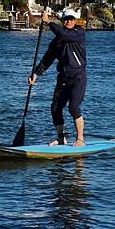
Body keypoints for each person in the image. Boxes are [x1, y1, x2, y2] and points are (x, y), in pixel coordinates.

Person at [28, 9, 86, 147]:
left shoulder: (79, 33)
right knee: (55, 107)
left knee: (73, 107)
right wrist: (35, 74)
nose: (68, 21)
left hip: (78, 77)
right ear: (62, 21)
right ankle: (61, 138)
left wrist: (48, 22)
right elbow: (47, 60)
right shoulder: (56, 42)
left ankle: (80, 139)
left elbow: (63, 33)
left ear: (75, 20)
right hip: (64, 77)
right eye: (66, 19)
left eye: (71, 19)